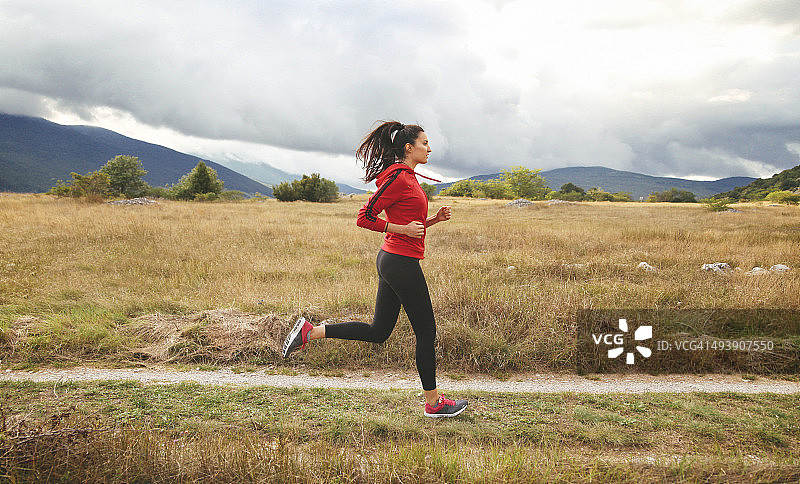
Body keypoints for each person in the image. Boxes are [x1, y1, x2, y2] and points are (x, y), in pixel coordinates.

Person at [282, 120, 468, 418]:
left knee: (379, 331)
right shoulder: (399, 178)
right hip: (399, 263)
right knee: (426, 332)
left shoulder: (408, 177)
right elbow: (364, 217)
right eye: (424, 143)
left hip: (395, 259)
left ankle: (310, 332)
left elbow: (410, 226)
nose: (429, 148)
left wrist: (433, 220)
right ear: (409, 147)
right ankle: (433, 403)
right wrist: (401, 229)